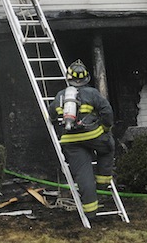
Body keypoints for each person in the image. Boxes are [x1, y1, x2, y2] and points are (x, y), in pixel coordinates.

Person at [48, 60, 115, 214]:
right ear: (86, 79)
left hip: (70, 141)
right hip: (93, 136)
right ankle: (103, 182)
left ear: (68, 78)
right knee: (108, 146)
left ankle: (90, 212)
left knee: (83, 174)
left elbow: (51, 115)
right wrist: (105, 127)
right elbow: (107, 111)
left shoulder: (60, 96)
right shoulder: (92, 93)